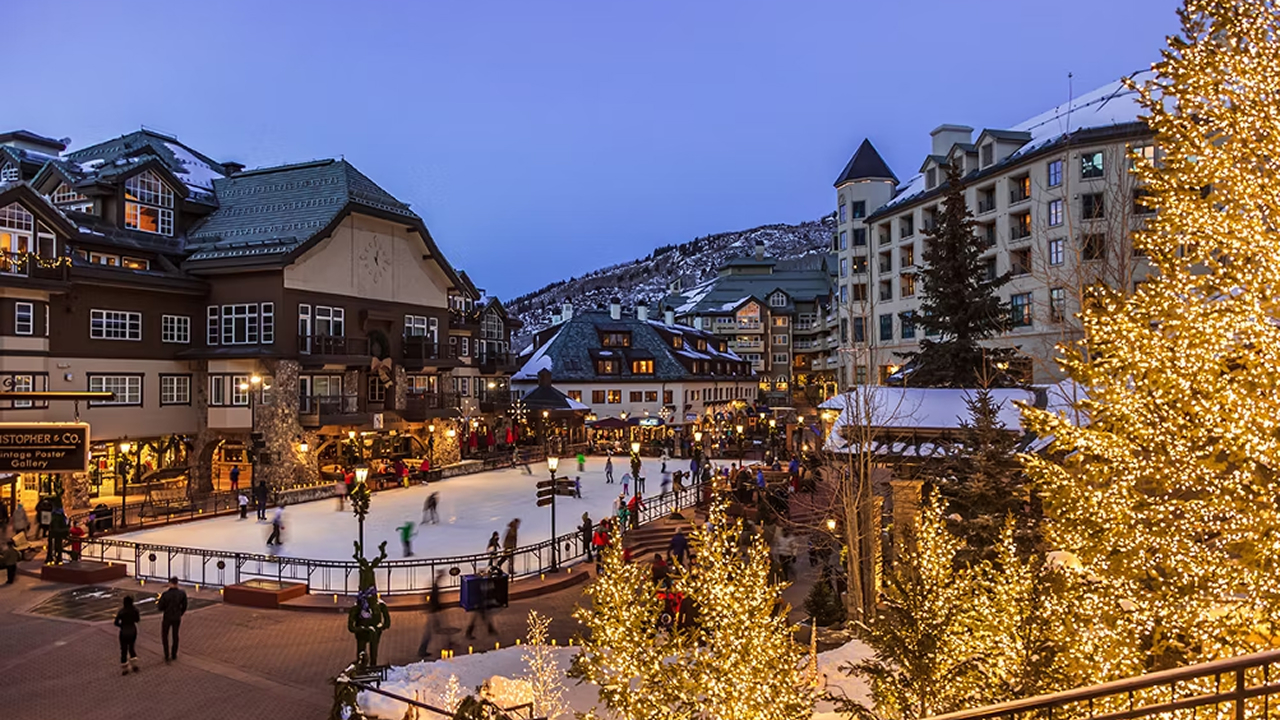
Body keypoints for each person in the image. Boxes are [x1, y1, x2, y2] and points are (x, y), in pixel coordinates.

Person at [417, 569, 448, 658]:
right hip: (434, 612)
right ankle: (422, 650)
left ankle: (447, 643)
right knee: (429, 632)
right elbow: (433, 599)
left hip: (434, 610)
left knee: (436, 629)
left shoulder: (435, 584)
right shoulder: (435, 585)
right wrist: (436, 607)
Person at [157, 576, 188, 662]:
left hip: (167, 617)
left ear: (170, 583)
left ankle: (166, 654)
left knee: (165, 635)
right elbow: (185, 606)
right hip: (176, 617)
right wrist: (180, 613)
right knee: (175, 635)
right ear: (177, 583)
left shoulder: (165, 595)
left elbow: (160, 607)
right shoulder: (182, 593)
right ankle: (174, 654)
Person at [115, 596, 141, 674]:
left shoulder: (121, 611)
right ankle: (134, 665)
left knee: (123, 650)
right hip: (132, 630)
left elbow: (116, 622)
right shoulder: (135, 610)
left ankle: (125, 668)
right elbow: (137, 620)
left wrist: (121, 626)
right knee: (132, 648)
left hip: (123, 632)